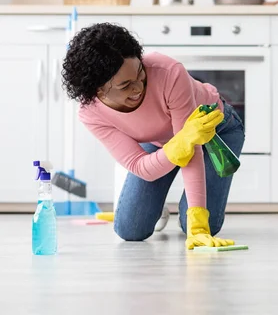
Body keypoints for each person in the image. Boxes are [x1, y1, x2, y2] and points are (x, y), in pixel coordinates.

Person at [62, 23, 245, 250]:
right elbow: (140, 165)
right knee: (129, 230)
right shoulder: (91, 113)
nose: (139, 87)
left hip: (215, 131)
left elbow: (192, 150)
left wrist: (197, 224)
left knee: (196, 226)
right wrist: (179, 144)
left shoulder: (168, 73)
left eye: (140, 73)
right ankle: (156, 207)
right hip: (165, 140)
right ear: (98, 90)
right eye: (125, 85)